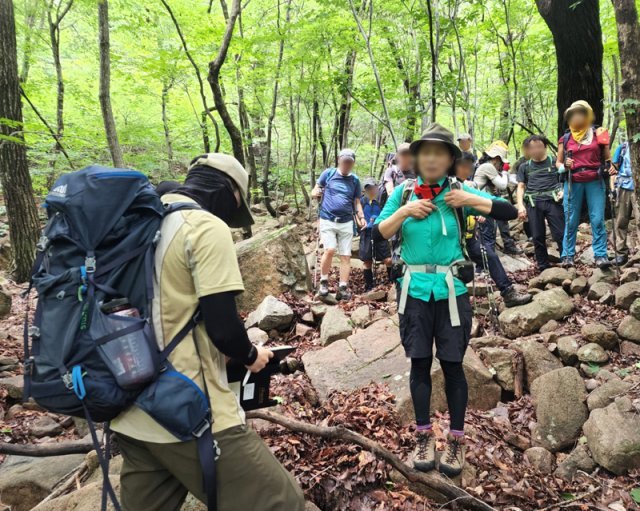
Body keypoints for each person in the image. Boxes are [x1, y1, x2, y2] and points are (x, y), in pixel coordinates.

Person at [111, 154, 305, 511]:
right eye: (235, 208)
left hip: (130, 409)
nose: (230, 220)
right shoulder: (202, 226)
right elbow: (224, 329)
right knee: (283, 502)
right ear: (230, 192)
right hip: (189, 410)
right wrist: (252, 356)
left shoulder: (136, 220)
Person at [374, 124, 518, 477]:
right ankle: (423, 435)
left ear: (451, 159)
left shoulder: (459, 191)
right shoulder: (405, 194)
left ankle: (456, 439)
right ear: (417, 159)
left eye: (440, 153)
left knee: (453, 366)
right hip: (414, 293)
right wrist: (406, 212)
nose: (432, 158)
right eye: (426, 152)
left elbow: (509, 212)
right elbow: (379, 232)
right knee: (420, 364)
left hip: (453, 292)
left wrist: (469, 200)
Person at [456, 155, 532, 307]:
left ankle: (508, 293)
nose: (469, 169)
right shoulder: (449, 188)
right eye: (466, 166)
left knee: (490, 256)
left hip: (469, 239)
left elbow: (481, 206)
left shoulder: (467, 187)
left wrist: (477, 213)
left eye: (470, 166)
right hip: (454, 243)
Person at [557, 100, 616, 269]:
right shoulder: (566, 137)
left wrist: (612, 168)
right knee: (570, 219)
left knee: (597, 219)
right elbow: (558, 163)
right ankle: (567, 255)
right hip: (572, 181)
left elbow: (607, 160)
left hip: (594, 181)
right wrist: (564, 167)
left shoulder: (599, 134)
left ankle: (601, 255)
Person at [312, 148, 366, 300]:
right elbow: (315, 189)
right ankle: (323, 282)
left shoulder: (355, 180)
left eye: (350, 162)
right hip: (327, 219)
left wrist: (361, 216)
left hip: (346, 221)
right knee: (329, 250)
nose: (346, 164)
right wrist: (315, 193)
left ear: (353, 163)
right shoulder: (328, 174)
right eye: (344, 161)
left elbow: (357, 201)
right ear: (339, 160)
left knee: (346, 256)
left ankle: (342, 287)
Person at [516, 135, 565, 272]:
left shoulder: (554, 162)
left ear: (545, 147)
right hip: (533, 203)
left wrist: (563, 191)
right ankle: (543, 265)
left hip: (553, 201)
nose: (535, 150)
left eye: (539, 147)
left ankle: (567, 259)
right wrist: (520, 206)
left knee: (560, 233)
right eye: (532, 148)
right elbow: (521, 187)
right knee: (537, 236)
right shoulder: (524, 167)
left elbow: (565, 180)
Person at [473, 142, 523, 256]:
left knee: (490, 231)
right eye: (501, 162)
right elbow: (502, 185)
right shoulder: (488, 166)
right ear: (496, 159)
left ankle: (489, 258)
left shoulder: (488, 166)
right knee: (488, 234)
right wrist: (505, 171)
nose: (501, 165)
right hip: (483, 203)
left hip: (486, 201)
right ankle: (486, 262)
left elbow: (507, 181)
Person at [360, 177, 392, 290]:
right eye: (368, 188)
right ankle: (369, 286)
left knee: (388, 259)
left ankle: (392, 283)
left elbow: (386, 214)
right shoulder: (362, 201)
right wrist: (364, 224)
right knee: (367, 261)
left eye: (373, 187)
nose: (371, 190)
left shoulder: (381, 200)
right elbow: (357, 216)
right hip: (366, 233)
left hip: (380, 232)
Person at [610, 141, 635, 265]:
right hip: (624, 187)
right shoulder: (623, 147)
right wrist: (612, 189)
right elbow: (613, 170)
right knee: (621, 221)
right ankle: (621, 254)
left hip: (637, 186)